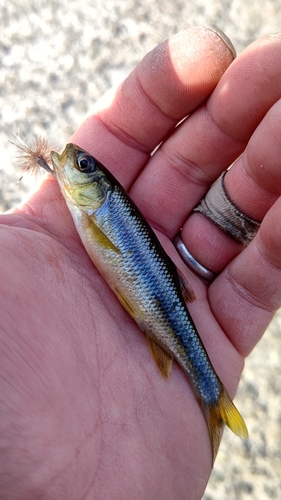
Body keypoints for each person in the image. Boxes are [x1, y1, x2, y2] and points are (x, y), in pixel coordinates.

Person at [1, 26, 281, 499]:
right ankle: (210, 399)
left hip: (158, 302)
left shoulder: (98, 211)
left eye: (86, 169)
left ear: (99, 192)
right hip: (154, 299)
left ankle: (210, 397)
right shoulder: (89, 210)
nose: (75, 164)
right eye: (86, 167)